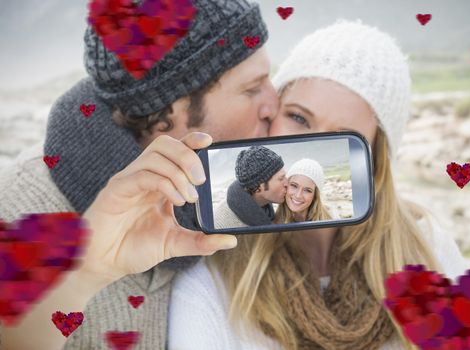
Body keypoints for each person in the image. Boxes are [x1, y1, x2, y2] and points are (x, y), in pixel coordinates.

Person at [167, 20, 467, 350]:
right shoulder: (213, 270)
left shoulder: (428, 250)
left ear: (376, 160)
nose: (309, 145)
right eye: (297, 117)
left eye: (341, 137)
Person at [0, 0, 278, 348]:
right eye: (252, 89)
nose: (274, 105)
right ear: (170, 108)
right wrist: (83, 273)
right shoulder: (16, 214)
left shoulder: (226, 201)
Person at [214, 146, 287, 229]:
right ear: (259, 185)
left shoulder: (265, 208)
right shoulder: (223, 225)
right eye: (281, 179)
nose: (287, 183)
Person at [274, 158, 331, 224]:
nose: (298, 195)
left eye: (307, 190)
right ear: (286, 185)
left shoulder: (330, 222)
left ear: (315, 196)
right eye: (294, 186)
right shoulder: (272, 222)